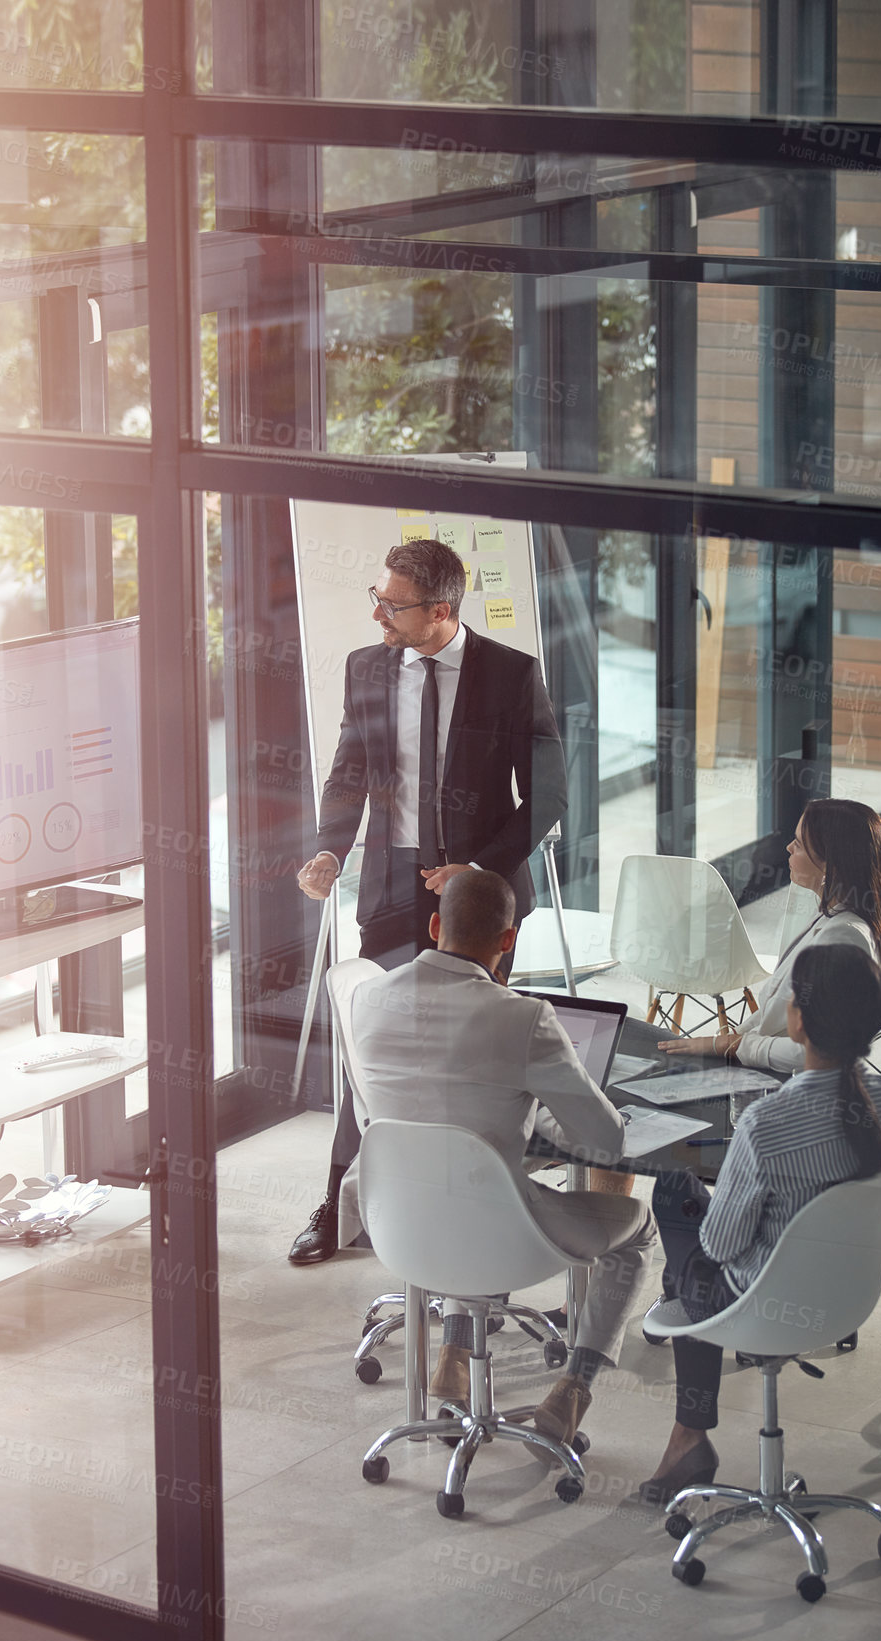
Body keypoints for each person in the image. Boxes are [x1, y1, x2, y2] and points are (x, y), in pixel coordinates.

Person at [290, 537, 567, 1265]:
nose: (379, 612)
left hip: (478, 900)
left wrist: (478, 869)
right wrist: (329, 848)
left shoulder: (510, 675)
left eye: (394, 603)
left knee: (470, 1058)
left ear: (441, 609)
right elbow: (349, 772)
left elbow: (549, 795)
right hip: (389, 888)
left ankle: (476, 1205)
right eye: (377, 597)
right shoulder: (367, 668)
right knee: (370, 1054)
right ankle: (339, 1205)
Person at [350, 868, 658, 1453]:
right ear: (508, 940)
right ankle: (573, 1389)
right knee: (636, 1227)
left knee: (471, 1180)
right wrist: (540, 1103)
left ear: (435, 924)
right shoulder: (525, 1018)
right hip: (494, 1230)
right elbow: (605, 1143)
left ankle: (454, 1351)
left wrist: (515, 1112)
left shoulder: (369, 998)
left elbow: (428, 1112)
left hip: (398, 1221)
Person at [637, 943, 881, 1504]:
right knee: (691, 1248)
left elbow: (720, 1244)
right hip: (847, 1300)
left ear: (798, 1020)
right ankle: (686, 1430)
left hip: (760, 1302)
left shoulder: (766, 1123)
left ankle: (689, 1436)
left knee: (677, 1200)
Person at [658, 797, 881, 1075]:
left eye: (798, 844)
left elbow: (819, 1053)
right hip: (767, 1065)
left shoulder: (845, 939)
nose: (789, 847)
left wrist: (735, 1047)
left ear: (830, 866)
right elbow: (775, 1014)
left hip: (788, 1081)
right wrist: (728, 1041)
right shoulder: (830, 915)